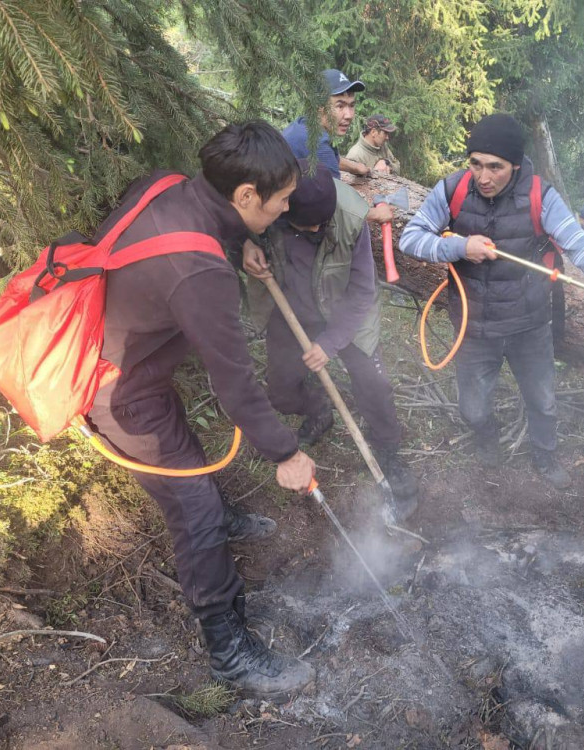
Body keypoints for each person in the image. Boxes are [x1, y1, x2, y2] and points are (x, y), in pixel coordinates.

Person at [86, 122, 316, 698]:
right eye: (281, 200)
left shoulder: (169, 186)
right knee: (193, 511)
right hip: (117, 391)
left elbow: (184, 247)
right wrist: (285, 454)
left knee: (186, 452)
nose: (287, 208)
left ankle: (219, 516)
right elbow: (236, 386)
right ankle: (228, 650)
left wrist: (243, 245)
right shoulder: (201, 273)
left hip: (131, 362)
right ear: (244, 196)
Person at [399, 113, 584, 490]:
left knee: (543, 402)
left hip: (530, 324)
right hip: (474, 327)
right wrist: (459, 246)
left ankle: (545, 455)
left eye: (495, 167)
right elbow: (410, 238)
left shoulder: (541, 196)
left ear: (515, 166)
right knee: (472, 409)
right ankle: (488, 441)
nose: (483, 177)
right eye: (475, 163)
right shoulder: (454, 189)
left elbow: (582, 246)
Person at [241, 161, 420, 520]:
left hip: (346, 312)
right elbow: (229, 222)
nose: (316, 230)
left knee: (375, 384)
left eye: (322, 224)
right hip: (291, 311)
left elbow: (361, 292)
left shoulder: (351, 215)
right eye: (307, 226)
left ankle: (388, 452)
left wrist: (330, 343)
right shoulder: (270, 204)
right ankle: (319, 409)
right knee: (280, 392)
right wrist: (243, 244)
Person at [281, 69, 393, 224]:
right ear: (319, 106)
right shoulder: (318, 145)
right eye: (340, 106)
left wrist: (356, 167)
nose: (348, 115)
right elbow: (335, 206)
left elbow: (329, 159)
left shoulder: (303, 126)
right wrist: (376, 214)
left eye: (352, 105)